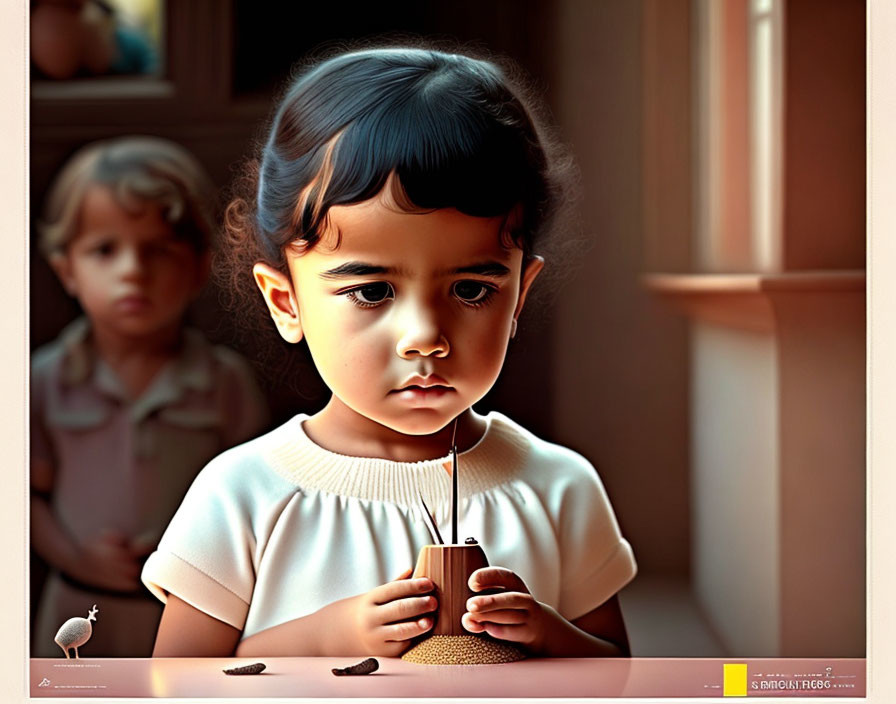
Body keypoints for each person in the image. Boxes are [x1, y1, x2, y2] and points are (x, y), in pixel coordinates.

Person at [143, 47, 637, 659]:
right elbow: (175, 681)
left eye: (472, 289)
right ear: (286, 300)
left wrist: (548, 634)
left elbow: (618, 672)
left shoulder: (558, 488)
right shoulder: (244, 495)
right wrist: (326, 636)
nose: (425, 336)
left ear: (518, 298)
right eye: (373, 291)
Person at [31, 136, 269, 657]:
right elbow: (24, 498)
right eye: (104, 250)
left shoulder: (224, 382)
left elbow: (258, 498)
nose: (132, 270)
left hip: (193, 617)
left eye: (158, 249)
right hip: (77, 604)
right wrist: (75, 558)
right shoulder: (43, 381)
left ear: (200, 266)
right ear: (67, 268)